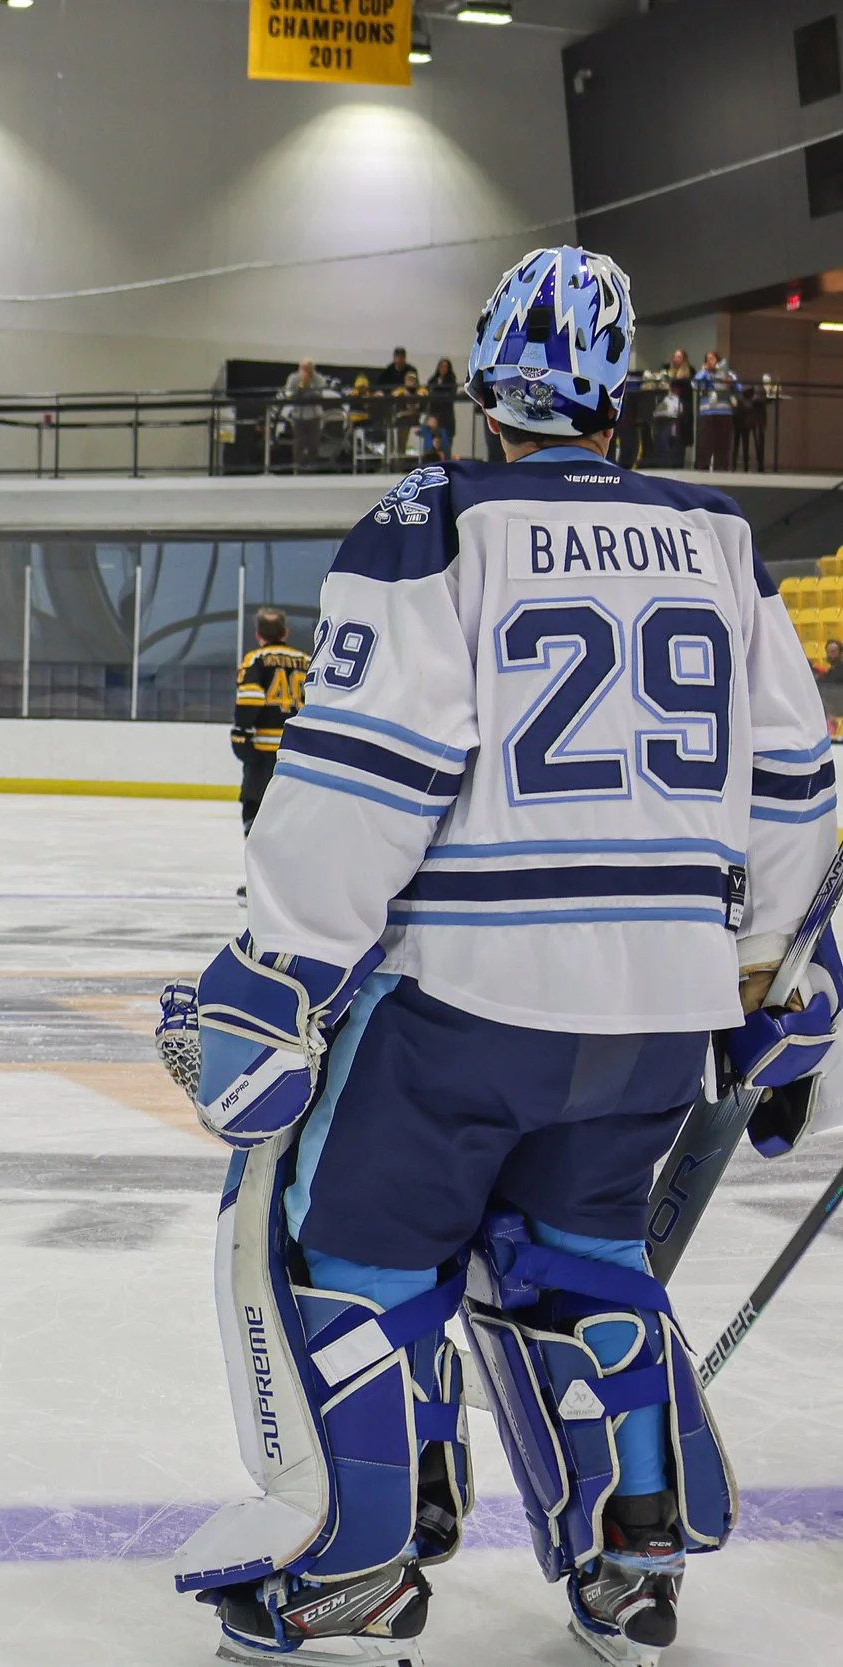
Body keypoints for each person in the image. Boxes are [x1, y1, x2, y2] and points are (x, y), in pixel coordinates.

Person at [165, 245, 835, 1667]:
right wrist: (778, 974)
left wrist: (279, 966)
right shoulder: (722, 535)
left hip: (462, 1000)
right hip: (658, 1013)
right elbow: (793, 778)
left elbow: (365, 770)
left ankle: (356, 1569)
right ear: (622, 394)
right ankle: (631, 1549)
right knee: (583, 1253)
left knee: (348, 1252)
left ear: (485, 387)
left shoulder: (435, 517)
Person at [230, 607, 307, 835]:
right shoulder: (306, 660)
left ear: (258, 635)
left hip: (263, 751)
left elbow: (251, 697)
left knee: (255, 815)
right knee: (292, 816)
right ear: (285, 632)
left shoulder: (255, 659)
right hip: (298, 748)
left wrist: (240, 733)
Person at [279, 360, 333, 473]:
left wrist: (309, 386)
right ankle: (297, 467)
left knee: (314, 441)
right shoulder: (293, 378)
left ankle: (312, 466)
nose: (306, 372)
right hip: (298, 415)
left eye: (308, 369)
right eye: (303, 369)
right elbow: (289, 394)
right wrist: (300, 388)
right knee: (299, 442)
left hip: (314, 415)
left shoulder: (318, 378)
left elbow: (319, 394)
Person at [692, 351, 737, 471]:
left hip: (725, 413)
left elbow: (738, 387)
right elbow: (695, 384)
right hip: (707, 413)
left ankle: (721, 468)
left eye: (713, 359)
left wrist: (729, 381)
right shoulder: (703, 374)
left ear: (718, 360)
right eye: (708, 359)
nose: (710, 361)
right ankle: (703, 468)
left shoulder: (728, 374)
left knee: (722, 444)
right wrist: (704, 371)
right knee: (705, 442)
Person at [425, 356, 459, 455]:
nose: (443, 369)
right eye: (441, 366)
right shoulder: (433, 380)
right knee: (432, 445)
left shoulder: (451, 381)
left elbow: (450, 395)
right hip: (434, 415)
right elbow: (428, 392)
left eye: (445, 367)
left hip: (446, 416)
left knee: (446, 444)